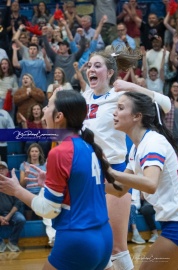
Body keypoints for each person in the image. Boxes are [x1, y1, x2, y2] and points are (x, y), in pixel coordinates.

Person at [0, 90, 120, 269]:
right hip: (103, 237)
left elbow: (47, 210)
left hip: (78, 239)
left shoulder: (60, 152)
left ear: (59, 116)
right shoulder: (90, 146)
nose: (44, 109)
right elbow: (79, 190)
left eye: (48, 105)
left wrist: (16, 190)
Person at [82, 50, 171, 270]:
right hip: (90, 173)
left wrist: (132, 87)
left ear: (110, 72)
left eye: (97, 66)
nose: (91, 69)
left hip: (117, 170)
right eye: (89, 66)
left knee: (116, 247)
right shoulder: (85, 96)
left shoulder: (119, 96)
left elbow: (166, 105)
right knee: (96, 246)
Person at [111, 91, 178, 270]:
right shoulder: (137, 148)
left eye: (120, 108)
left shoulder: (152, 143)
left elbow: (150, 184)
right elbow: (119, 189)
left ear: (137, 116)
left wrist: (110, 171)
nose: (114, 112)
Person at [0, 161, 26, 253]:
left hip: (11, 212)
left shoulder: (13, 183)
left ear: (7, 170)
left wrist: (8, 216)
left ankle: (12, 242)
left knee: (21, 219)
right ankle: (0, 243)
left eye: (3, 168)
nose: (1, 170)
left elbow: (18, 202)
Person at [19, 143, 46, 220]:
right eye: (32, 151)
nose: (34, 153)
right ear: (29, 153)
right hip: (28, 192)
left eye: (36, 151)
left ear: (40, 153)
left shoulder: (44, 165)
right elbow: (22, 185)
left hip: (42, 192)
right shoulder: (23, 165)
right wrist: (26, 175)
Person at [164, 81, 178, 146]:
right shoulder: (166, 101)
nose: (176, 88)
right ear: (170, 89)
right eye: (174, 86)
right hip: (170, 135)